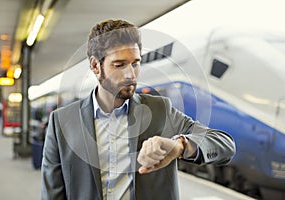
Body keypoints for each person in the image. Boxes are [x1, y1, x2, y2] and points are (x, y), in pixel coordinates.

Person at [41, 19, 236, 200]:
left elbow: (225, 145)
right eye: (119, 65)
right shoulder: (62, 122)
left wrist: (180, 146)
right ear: (95, 66)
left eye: (135, 63)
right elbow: (52, 194)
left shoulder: (160, 110)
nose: (130, 74)